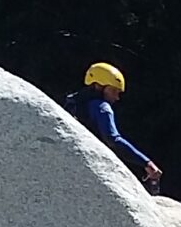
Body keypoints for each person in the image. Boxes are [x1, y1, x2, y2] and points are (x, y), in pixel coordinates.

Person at [63, 61, 163, 192]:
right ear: (99, 86)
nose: (117, 97)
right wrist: (146, 163)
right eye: (114, 91)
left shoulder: (71, 102)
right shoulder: (102, 107)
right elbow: (113, 138)